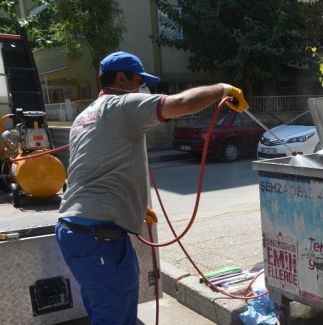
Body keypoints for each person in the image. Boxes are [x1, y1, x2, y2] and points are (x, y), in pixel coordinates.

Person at [55, 51, 248, 324]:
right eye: (138, 80)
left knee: (108, 307)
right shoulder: (122, 106)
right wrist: (223, 90)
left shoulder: (84, 117)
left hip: (80, 230)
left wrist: (131, 205)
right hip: (98, 236)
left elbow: (93, 168)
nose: (141, 87)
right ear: (121, 78)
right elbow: (180, 103)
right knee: (115, 317)